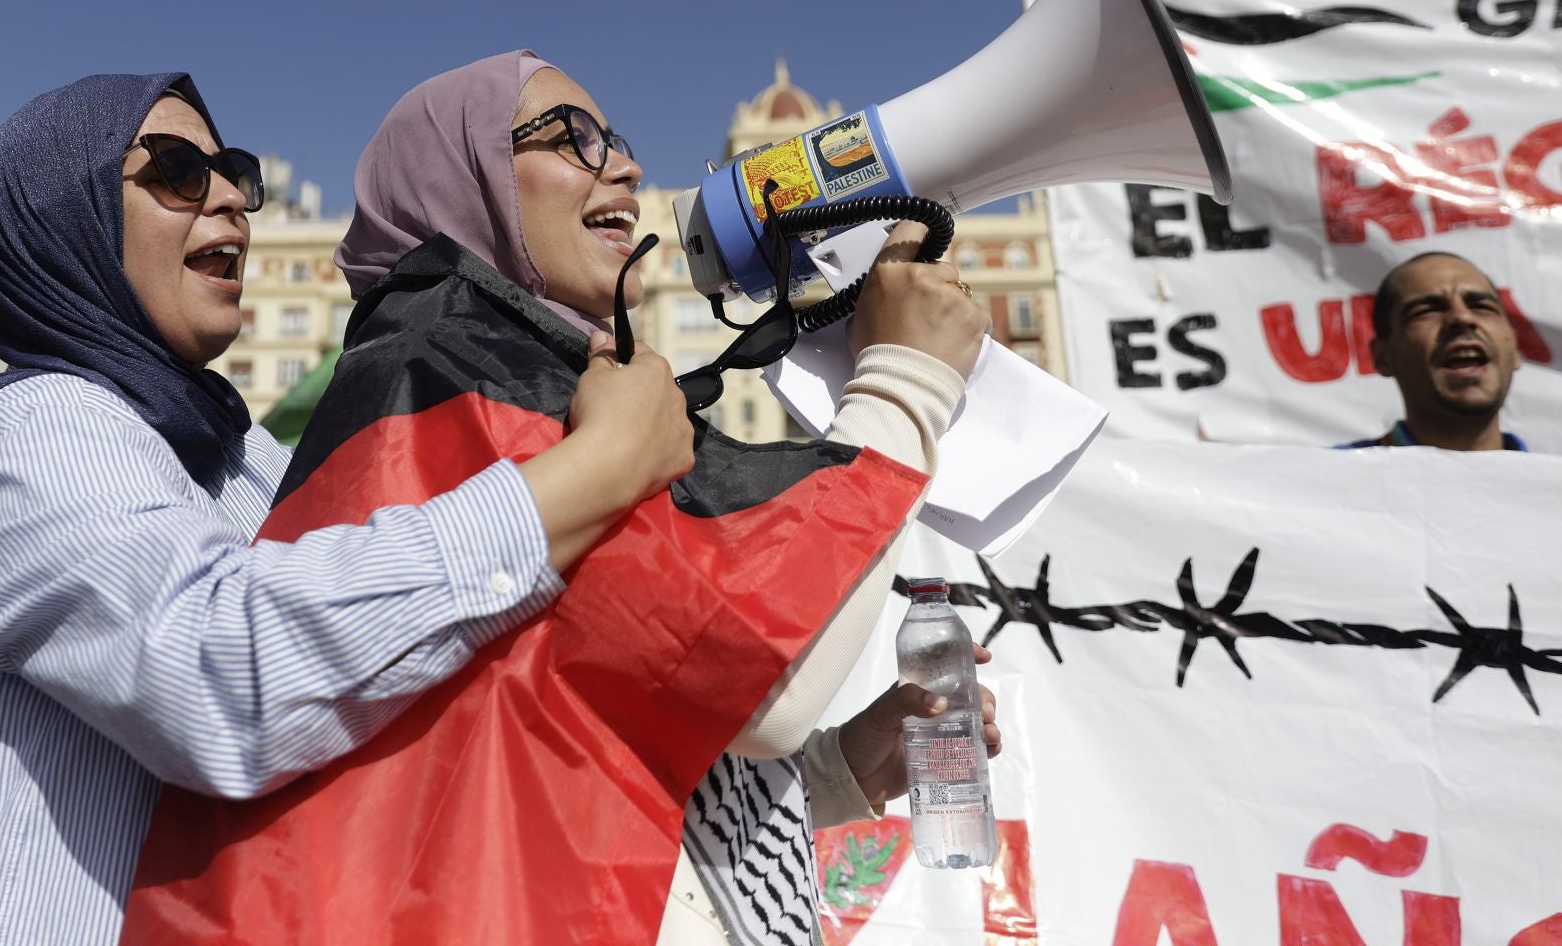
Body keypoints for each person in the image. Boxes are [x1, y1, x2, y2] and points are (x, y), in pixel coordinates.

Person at [0, 72, 696, 946]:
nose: (233, 201)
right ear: (58, 217)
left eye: (235, 174)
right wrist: (595, 469)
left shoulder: (239, 455)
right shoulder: (33, 433)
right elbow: (229, 668)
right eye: (176, 172)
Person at [124, 52, 996, 945]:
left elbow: (580, 760)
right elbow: (758, 678)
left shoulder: (548, 376)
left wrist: (847, 768)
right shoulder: (445, 372)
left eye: (615, 140)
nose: (621, 165)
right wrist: (904, 383)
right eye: (572, 138)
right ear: (461, 178)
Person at [1340, 251, 1530, 452]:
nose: (1462, 318)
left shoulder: (1549, 480)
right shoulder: (1327, 478)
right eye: (1427, 310)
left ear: (1515, 348)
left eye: (1482, 307)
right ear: (1382, 357)